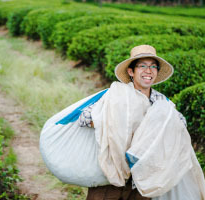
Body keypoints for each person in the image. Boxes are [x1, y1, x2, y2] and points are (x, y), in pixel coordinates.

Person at [79, 45, 188, 200]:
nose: (148, 71)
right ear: (131, 71)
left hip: (142, 179)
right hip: (111, 175)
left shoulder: (162, 102)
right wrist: (116, 123)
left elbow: (180, 125)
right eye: (142, 66)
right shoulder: (116, 96)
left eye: (153, 66)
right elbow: (84, 118)